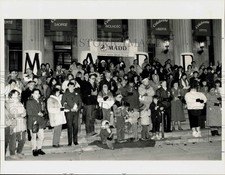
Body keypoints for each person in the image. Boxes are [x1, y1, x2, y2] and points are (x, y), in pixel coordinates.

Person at [5, 90, 27, 160]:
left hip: (21, 122)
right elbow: (11, 113)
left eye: (18, 94)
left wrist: (20, 114)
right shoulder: (8, 103)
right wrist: (18, 114)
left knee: (22, 138)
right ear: (11, 95)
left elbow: (24, 112)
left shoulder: (20, 103)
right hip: (13, 122)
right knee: (13, 139)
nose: (17, 95)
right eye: (15, 94)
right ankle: (12, 154)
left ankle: (19, 152)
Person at [26, 89, 46, 156]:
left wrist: (43, 113)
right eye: (36, 93)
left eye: (38, 93)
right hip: (33, 121)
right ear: (32, 94)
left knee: (42, 136)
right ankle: (34, 149)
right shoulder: (29, 102)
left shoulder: (41, 101)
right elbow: (29, 112)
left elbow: (44, 110)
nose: (37, 95)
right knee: (34, 137)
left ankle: (39, 148)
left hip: (40, 121)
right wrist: (38, 113)